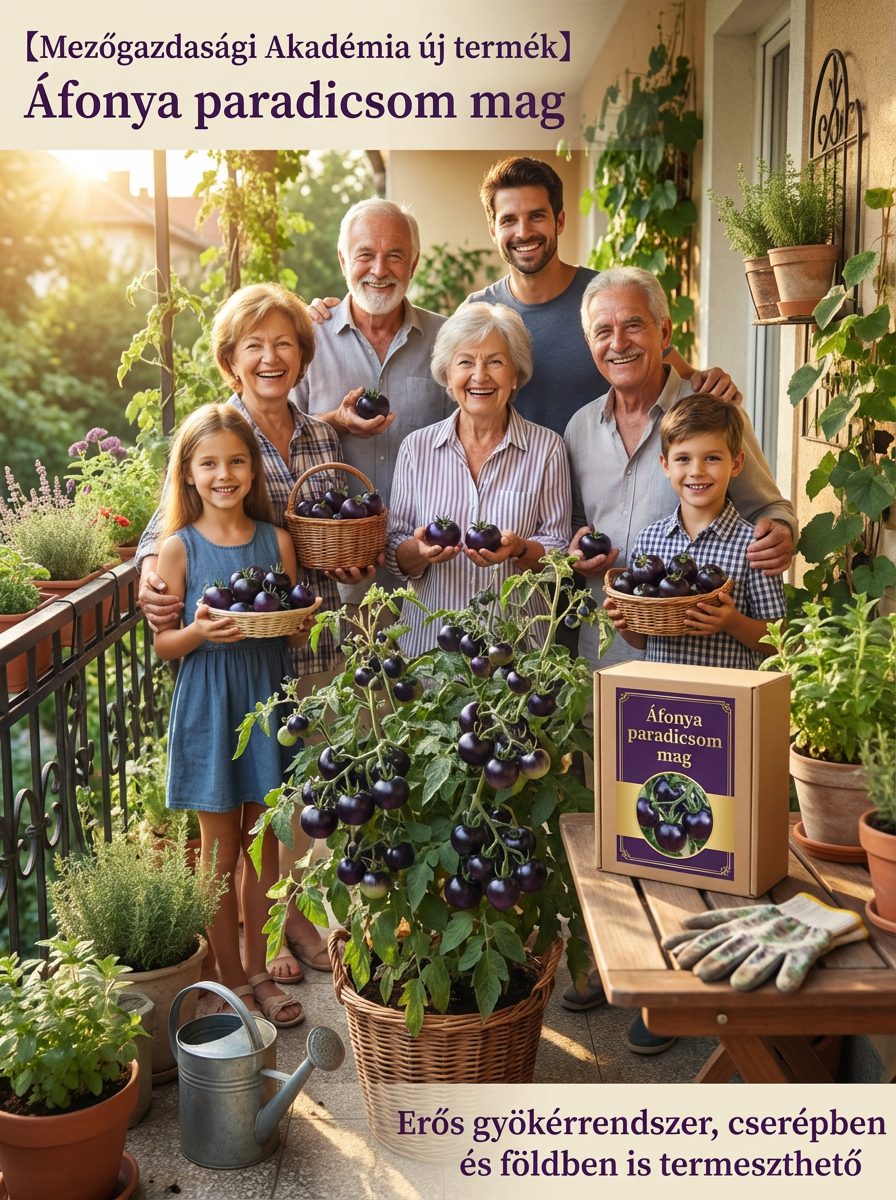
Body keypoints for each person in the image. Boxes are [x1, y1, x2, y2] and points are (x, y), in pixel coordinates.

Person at [561, 267, 796, 1047]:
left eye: (634, 325)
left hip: (720, 691)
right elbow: (590, 550)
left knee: (712, 832)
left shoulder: (712, 408)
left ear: (665, 331)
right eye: (603, 330)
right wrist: (599, 582)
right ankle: (622, 964)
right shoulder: (579, 427)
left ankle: (698, 985)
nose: (619, 341)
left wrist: (781, 538)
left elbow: (771, 509)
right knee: (630, 819)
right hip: (630, 663)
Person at [137, 282, 374, 983]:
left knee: (281, 824)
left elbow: (331, 523)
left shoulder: (323, 434)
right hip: (226, 680)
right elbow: (168, 528)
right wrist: (156, 579)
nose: (271, 358)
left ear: (303, 356)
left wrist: (357, 557)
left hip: (299, 652)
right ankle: (247, 964)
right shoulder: (220, 433)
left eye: (284, 344)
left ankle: (281, 929)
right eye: (254, 346)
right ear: (231, 360)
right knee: (228, 838)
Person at [152, 404, 314, 1028]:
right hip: (210, 707)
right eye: (209, 463)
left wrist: (301, 622)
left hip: (267, 702)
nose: (225, 474)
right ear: (188, 474)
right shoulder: (178, 549)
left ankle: (257, 965)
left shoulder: (277, 543)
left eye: (236, 461)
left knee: (266, 848)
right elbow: (165, 646)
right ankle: (227, 982)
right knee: (217, 856)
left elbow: (288, 633)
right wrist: (197, 630)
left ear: (253, 469)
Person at [466, 156, 742, 435]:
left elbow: (679, 375)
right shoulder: (478, 312)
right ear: (493, 230)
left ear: (559, 221)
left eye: (537, 216)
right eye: (509, 220)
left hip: (605, 474)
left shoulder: (606, 299)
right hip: (519, 477)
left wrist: (710, 381)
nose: (523, 232)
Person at [386, 303, 570, 652]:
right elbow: (394, 547)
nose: (480, 375)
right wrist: (422, 551)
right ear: (447, 373)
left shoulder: (547, 448)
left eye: (495, 361)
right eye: (466, 361)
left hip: (515, 655)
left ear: (515, 375)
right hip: (431, 653)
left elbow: (558, 552)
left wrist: (519, 550)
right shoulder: (417, 448)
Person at [293, 198, 451, 598]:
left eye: (394, 256)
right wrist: (335, 421)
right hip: (330, 576)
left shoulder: (448, 343)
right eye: (365, 255)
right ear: (344, 261)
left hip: (427, 578)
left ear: (413, 264)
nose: (379, 270)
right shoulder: (306, 341)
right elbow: (271, 436)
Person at [604, 394, 786, 668]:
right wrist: (624, 623)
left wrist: (733, 623)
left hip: (725, 701)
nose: (697, 471)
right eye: (683, 459)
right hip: (663, 701)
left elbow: (780, 639)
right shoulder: (648, 541)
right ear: (666, 465)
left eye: (712, 458)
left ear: (736, 464)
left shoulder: (753, 546)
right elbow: (643, 640)